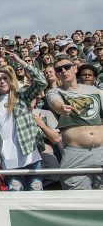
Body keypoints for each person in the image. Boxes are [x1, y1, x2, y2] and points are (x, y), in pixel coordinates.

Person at [0, 52, 47, 191]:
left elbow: (42, 82)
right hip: (9, 161)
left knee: (36, 195)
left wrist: (22, 62)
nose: (2, 81)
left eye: (5, 78)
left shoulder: (22, 96)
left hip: (31, 157)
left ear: (10, 80)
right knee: (15, 197)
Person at [47, 57, 103, 189]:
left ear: (75, 69)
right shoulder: (55, 91)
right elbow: (55, 102)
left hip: (101, 151)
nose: (63, 71)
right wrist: (61, 107)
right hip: (75, 155)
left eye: (67, 67)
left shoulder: (95, 91)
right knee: (79, 202)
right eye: (58, 69)